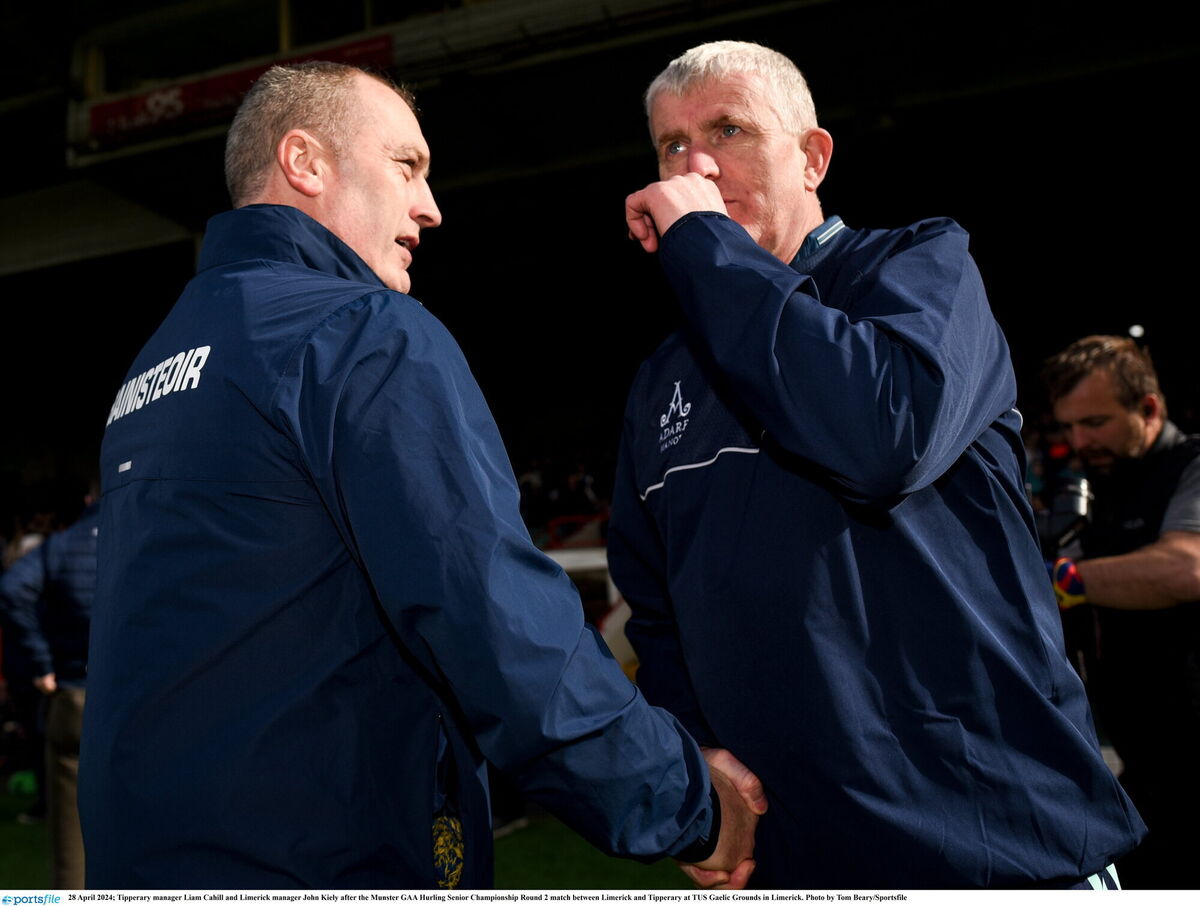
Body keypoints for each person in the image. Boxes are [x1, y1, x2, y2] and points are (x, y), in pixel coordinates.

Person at [80, 61, 763, 890]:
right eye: (406, 165)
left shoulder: (151, 369)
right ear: (305, 162)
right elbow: (503, 634)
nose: (431, 206)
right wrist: (693, 804)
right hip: (323, 862)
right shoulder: (362, 332)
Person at [613, 40, 1145, 889]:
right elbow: (656, 603)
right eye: (672, 146)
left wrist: (708, 247)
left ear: (813, 157)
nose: (697, 165)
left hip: (989, 847)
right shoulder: (660, 383)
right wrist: (695, 752)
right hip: (792, 857)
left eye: (730, 129)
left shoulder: (919, 271)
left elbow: (879, 439)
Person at [1041, 335, 1200, 889]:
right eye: (1068, 427)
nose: (1080, 441)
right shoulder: (1097, 481)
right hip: (1138, 754)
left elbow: (1187, 568)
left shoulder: (1193, 465)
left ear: (1149, 409)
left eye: (1096, 422)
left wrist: (1059, 581)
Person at [0, 485, 97, 888]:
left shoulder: (64, 545)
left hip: (76, 690)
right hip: (144, 697)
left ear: (89, 500)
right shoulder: (153, 539)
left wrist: (42, 665)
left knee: (72, 839)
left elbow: (13, 588)